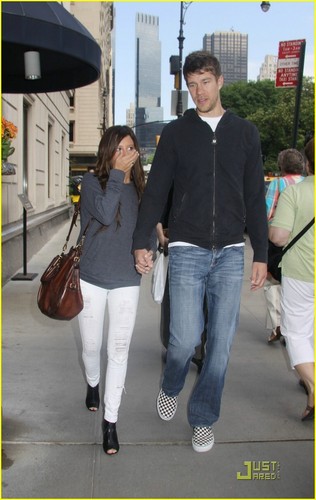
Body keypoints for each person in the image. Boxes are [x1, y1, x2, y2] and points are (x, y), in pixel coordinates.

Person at [132, 51, 268, 453]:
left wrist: (260, 252)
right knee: (183, 340)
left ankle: (204, 418)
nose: (198, 92)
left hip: (229, 251)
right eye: (191, 85)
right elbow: (156, 191)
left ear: (221, 81)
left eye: (205, 82)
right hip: (188, 248)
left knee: (221, 346)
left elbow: (255, 197)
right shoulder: (176, 134)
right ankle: (172, 382)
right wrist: (143, 240)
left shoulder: (245, 133)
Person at [77, 125, 153, 455]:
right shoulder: (92, 182)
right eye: (118, 149)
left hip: (126, 280)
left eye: (130, 149)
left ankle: (111, 421)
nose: (125, 155)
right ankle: (93, 383)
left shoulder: (139, 188)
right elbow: (107, 213)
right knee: (92, 346)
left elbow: (147, 226)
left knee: (118, 349)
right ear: (107, 152)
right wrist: (119, 178)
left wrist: (146, 252)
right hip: (91, 276)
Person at [269, 138, 314, 421]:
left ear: (308, 163)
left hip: (301, 274)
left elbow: (279, 237)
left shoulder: (295, 194)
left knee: (296, 333)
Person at [265, 148, 305, 343]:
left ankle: (277, 324)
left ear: (282, 166)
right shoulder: (307, 184)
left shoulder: (278, 184)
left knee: (273, 282)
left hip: (279, 240)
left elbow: (267, 212)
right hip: (302, 243)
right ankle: (296, 326)